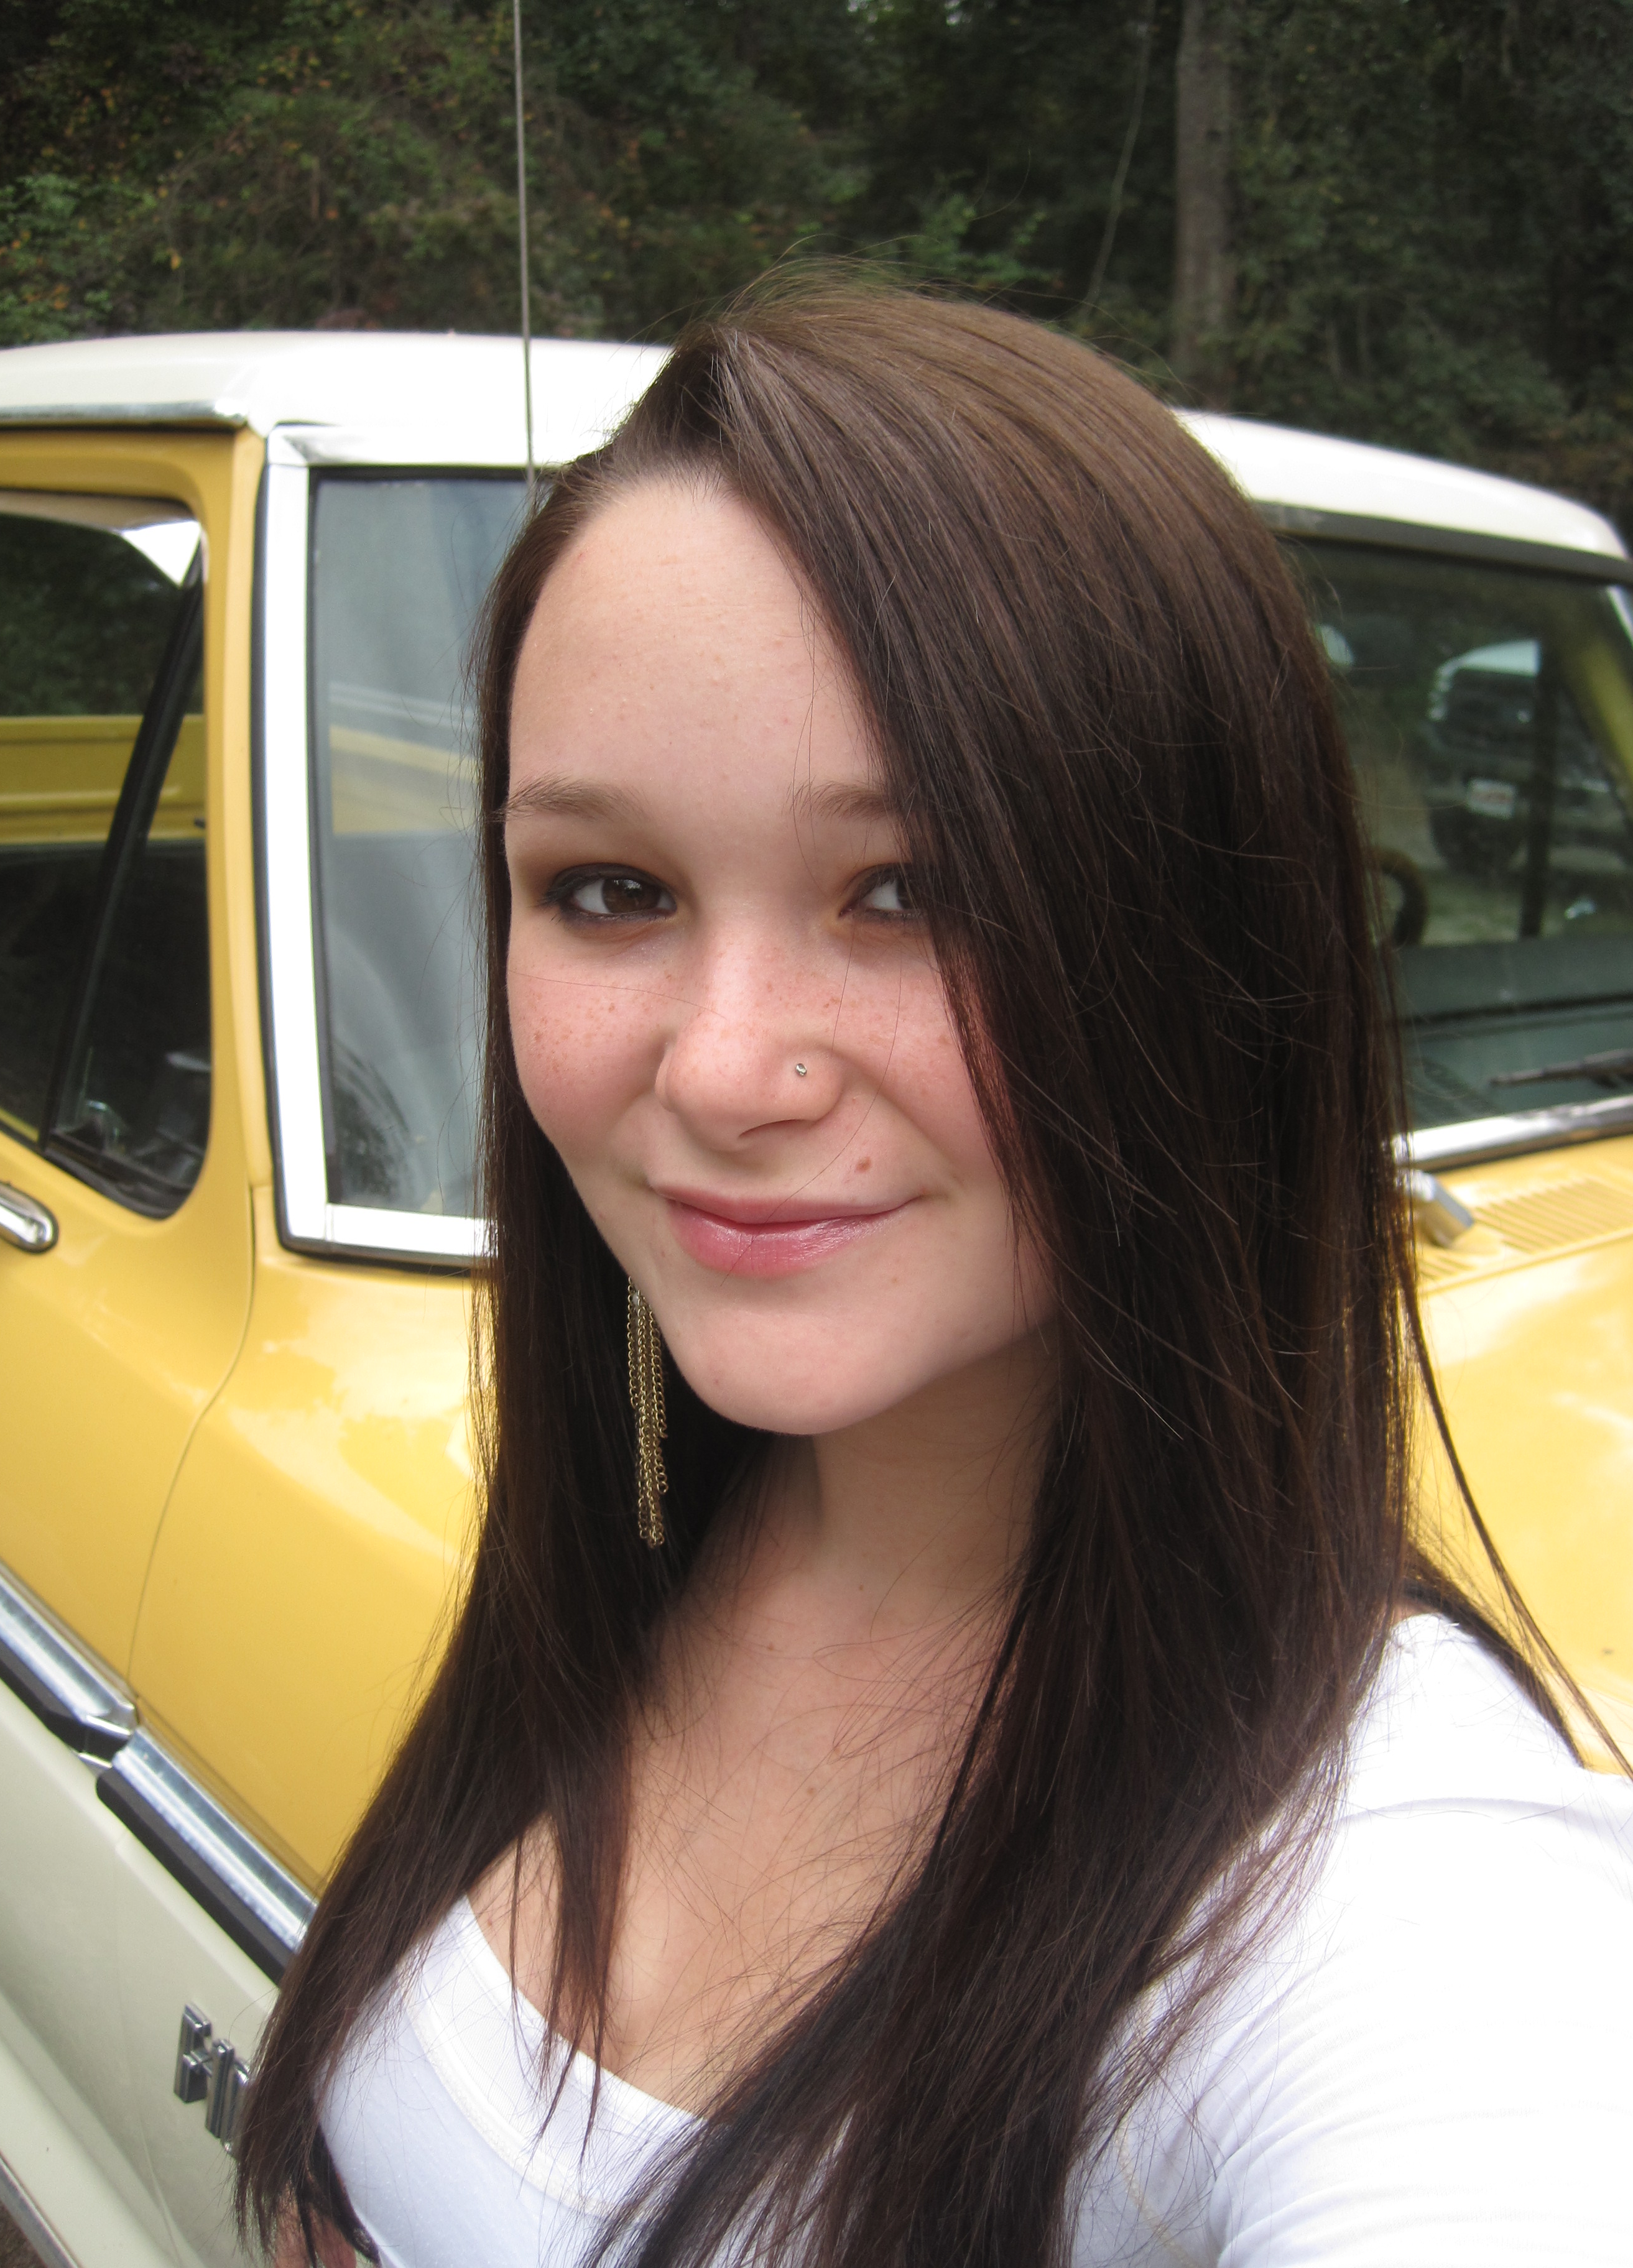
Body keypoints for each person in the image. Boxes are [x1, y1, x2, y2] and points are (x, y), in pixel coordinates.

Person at [236, 287, 1633, 2268]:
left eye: (911, 890)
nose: (725, 1072)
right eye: (610, 891)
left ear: (1208, 946)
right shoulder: (648, 1528)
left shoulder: (1402, 1872)